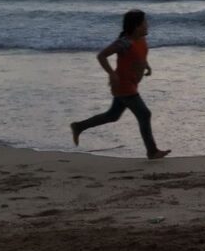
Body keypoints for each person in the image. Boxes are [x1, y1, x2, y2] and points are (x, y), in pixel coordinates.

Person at [71, 9, 170, 160]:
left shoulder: (141, 39)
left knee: (113, 115)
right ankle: (152, 151)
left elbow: (140, 55)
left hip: (131, 83)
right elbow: (102, 55)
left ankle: (79, 126)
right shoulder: (125, 42)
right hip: (123, 85)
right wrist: (111, 73)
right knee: (144, 113)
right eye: (144, 23)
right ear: (136, 26)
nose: (147, 26)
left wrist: (146, 65)